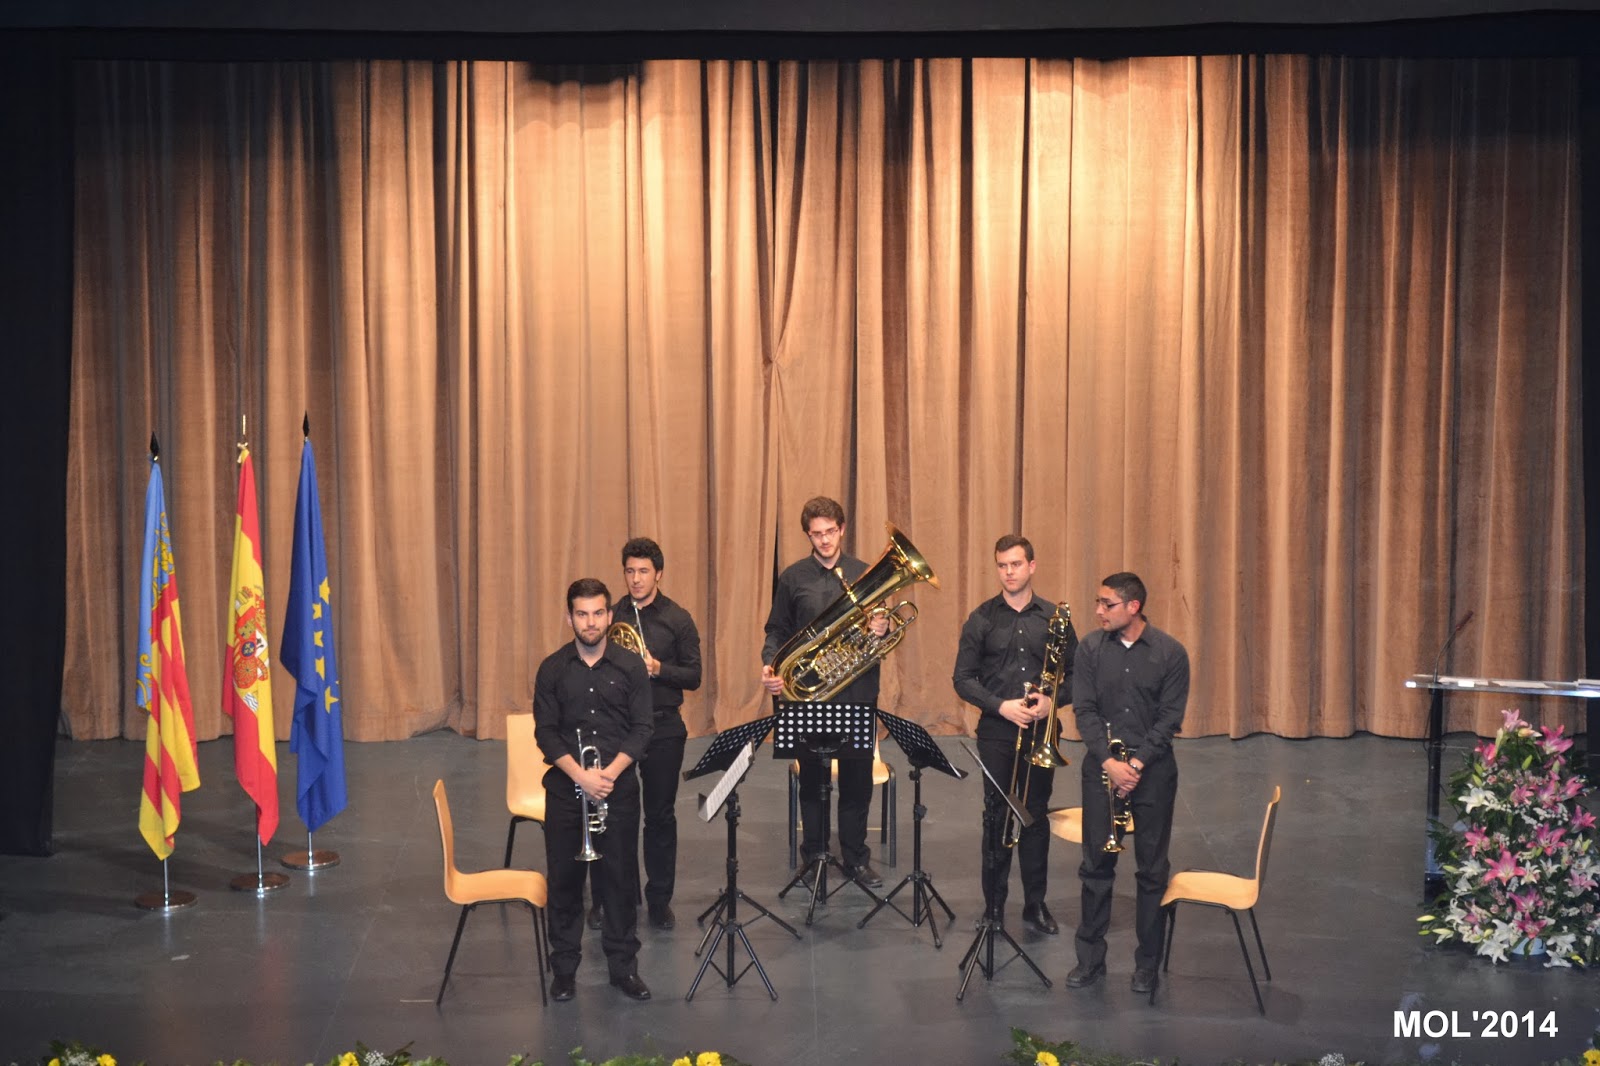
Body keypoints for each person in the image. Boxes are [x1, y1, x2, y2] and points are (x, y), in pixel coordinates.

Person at [1066, 571, 1189, 996]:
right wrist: (1109, 762)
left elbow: (1169, 719)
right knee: (1095, 866)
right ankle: (1089, 959)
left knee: (1152, 870)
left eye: (1108, 604)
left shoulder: (1171, 653)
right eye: (1098, 602)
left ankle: (1147, 964)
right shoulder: (1089, 649)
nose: (1099, 611)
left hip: (1152, 771)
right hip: (1102, 768)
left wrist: (1134, 765)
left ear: (1133, 607)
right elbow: (1084, 711)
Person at [534, 578, 655, 1002]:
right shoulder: (552, 669)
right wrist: (581, 777)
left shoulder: (631, 667)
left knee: (619, 882)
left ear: (609, 615)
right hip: (566, 791)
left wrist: (609, 775)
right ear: (569, 618)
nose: (591, 622)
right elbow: (546, 734)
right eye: (582, 614)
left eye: (598, 613)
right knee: (565, 884)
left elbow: (643, 729)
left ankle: (624, 969)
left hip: (616, 790)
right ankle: (565, 971)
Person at [953, 534, 1076, 936]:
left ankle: (1035, 905)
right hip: (996, 732)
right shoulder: (981, 619)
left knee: (1034, 816)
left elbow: (1078, 676)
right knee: (996, 817)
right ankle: (993, 906)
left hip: (1041, 731)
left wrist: (1051, 702)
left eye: (1016, 564)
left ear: (1031, 566)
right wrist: (1000, 706)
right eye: (1002, 565)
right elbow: (962, 679)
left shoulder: (1055, 618)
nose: (1009, 572)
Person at [761, 496, 884, 889]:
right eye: (817, 534)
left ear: (842, 529)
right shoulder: (793, 577)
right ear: (808, 535)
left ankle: (855, 858)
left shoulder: (866, 574)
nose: (825, 540)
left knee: (857, 782)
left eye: (831, 531)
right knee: (812, 781)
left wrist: (880, 629)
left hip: (856, 693)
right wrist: (771, 665)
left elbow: (878, 635)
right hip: (808, 695)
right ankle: (814, 855)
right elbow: (776, 630)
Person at [606, 537, 701, 931]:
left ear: (658, 574)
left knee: (660, 816)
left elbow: (694, 676)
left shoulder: (678, 618)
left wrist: (658, 668)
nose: (636, 579)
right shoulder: (612, 614)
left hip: (663, 726)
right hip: (619, 727)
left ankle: (659, 900)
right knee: (617, 816)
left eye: (643, 571)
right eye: (630, 571)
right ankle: (617, 896)